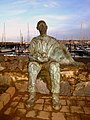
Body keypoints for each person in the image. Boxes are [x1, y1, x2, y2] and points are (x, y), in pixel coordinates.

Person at [26, 20, 81, 110]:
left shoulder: (52, 41)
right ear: (37, 28)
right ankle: (32, 95)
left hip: (48, 62)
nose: (42, 27)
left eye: (44, 25)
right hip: (37, 63)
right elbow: (30, 55)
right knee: (31, 66)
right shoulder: (35, 41)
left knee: (55, 66)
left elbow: (61, 52)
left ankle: (55, 97)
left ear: (47, 27)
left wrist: (70, 61)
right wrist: (37, 58)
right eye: (40, 26)